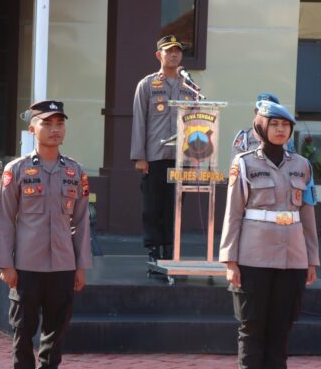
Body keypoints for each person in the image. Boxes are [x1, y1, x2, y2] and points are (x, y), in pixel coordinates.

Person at [219, 99, 319, 368]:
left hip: (292, 258)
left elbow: (308, 216)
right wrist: (230, 261)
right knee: (251, 328)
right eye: (274, 124)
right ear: (260, 127)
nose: (280, 130)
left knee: (281, 329)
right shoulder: (244, 164)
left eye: (285, 125)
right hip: (253, 258)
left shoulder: (302, 165)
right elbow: (233, 213)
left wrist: (311, 260)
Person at [0, 100, 93, 369]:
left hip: (63, 265)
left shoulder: (76, 172)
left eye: (59, 124)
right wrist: (5, 263)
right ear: (32, 129)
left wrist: (81, 266)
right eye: (47, 124)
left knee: (56, 333)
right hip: (26, 265)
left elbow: (82, 221)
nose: (55, 129)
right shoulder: (15, 170)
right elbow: (5, 219)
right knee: (23, 333)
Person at [130, 35, 197, 261]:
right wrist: (140, 156)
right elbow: (139, 121)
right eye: (169, 51)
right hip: (155, 156)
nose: (175, 54)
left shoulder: (190, 85)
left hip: (181, 156)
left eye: (178, 51)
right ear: (159, 55)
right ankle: (154, 250)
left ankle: (171, 249)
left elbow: (197, 122)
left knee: (175, 205)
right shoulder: (147, 84)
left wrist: (196, 157)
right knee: (153, 204)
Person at [231, 92, 294, 159]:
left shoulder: (285, 137)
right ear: (256, 111)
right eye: (262, 110)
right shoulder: (244, 136)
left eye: (271, 111)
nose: (266, 115)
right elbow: (236, 164)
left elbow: (292, 161)